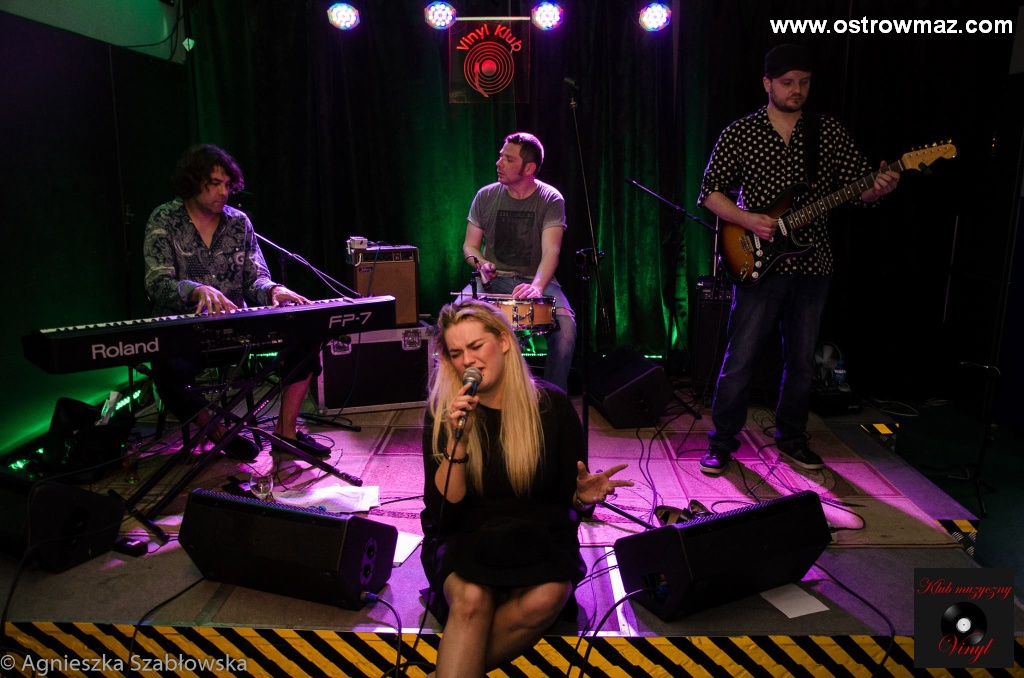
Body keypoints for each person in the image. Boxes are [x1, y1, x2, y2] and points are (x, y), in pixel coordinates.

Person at [697, 44, 899, 476]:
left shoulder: (827, 132)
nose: (797, 90)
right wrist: (748, 219)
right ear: (767, 83)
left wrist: (877, 188)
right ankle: (722, 441)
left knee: (802, 362)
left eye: (804, 82)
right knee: (741, 357)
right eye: (788, 82)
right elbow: (709, 193)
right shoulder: (741, 132)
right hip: (757, 261)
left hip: (813, 264)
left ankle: (791, 437)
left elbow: (860, 189)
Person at [420, 299, 631, 678]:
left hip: (539, 534)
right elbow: (443, 512)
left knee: (546, 598)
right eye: (456, 353)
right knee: (472, 598)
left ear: (503, 341)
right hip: (466, 534)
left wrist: (582, 498)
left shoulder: (552, 406)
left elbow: (569, 500)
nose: (467, 360)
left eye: (476, 346)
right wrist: (458, 443)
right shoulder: (444, 412)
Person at [143, 144, 330, 461]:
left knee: (307, 334)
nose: (223, 192)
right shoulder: (164, 220)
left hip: (237, 330)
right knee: (166, 370)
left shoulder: (239, 223)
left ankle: (285, 432)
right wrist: (194, 290)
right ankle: (220, 434)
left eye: (227, 184)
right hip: (184, 330)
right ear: (193, 182)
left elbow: (255, 278)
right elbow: (156, 283)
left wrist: (273, 291)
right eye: (214, 183)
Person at [462, 132, 576, 393]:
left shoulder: (550, 198)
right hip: (493, 280)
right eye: (501, 156)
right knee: (454, 317)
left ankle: (552, 402)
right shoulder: (485, 196)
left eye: (509, 159)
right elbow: (469, 246)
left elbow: (552, 251)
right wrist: (481, 263)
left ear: (529, 168)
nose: (499, 163)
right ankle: (469, 395)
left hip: (535, 281)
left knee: (566, 330)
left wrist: (536, 287)